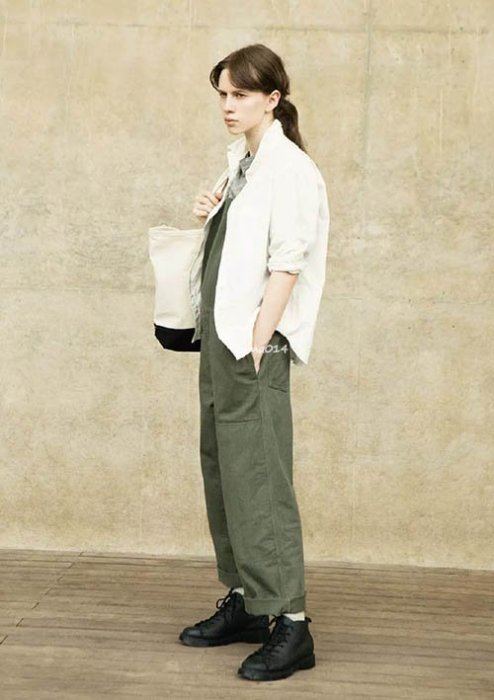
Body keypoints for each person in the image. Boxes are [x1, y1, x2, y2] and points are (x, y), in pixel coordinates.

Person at [178, 43, 330, 682]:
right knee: (224, 469)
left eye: (240, 94)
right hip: (223, 340)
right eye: (222, 93)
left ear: (273, 98)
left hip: (253, 346)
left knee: (261, 478)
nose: (228, 105)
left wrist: (260, 340)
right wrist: (211, 213)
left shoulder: (289, 168)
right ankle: (247, 600)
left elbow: (288, 261)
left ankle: (291, 623)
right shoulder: (241, 162)